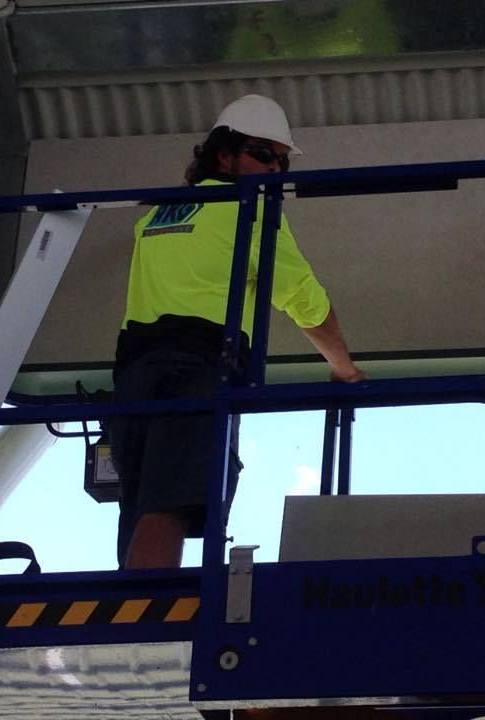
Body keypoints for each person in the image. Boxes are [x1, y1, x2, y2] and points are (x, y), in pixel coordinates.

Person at [110, 94, 365, 570]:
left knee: (141, 504)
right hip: (196, 368)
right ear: (224, 155)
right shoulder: (250, 211)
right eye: (263, 155)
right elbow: (304, 301)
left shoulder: (156, 216)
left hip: (134, 376)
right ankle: (149, 621)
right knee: (168, 503)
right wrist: (344, 371)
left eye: (282, 160)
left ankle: (128, 616)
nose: (275, 169)